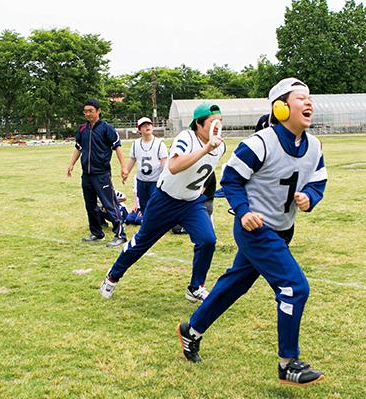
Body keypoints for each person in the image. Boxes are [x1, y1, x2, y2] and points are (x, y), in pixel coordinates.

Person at [177, 78, 327, 386]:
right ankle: (288, 363)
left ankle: (191, 330)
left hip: (284, 230)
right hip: (256, 230)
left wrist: (310, 197)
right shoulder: (260, 143)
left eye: (310, 98)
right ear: (281, 107)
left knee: (235, 284)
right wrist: (243, 211)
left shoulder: (314, 146)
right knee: (294, 287)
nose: (309, 103)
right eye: (300, 98)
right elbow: (230, 179)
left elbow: (318, 180)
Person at [100, 103, 226, 301]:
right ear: (198, 124)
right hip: (165, 200)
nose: (217, 126)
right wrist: (206, 148)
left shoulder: (221, 146)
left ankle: (196, 287)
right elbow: (174, 166)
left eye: (220, 121)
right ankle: (112, 276)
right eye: (212, 122)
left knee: (207, 240)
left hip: (191, 203)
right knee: (142, 242)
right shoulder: (187, 137)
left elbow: (206, 172)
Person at [66, 98, 128, 248]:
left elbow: (117, 147)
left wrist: (123, 167)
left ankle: (120, 234)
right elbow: (78, 148)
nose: (87, 114)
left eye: (90, 111)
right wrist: (71, 164)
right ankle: (96, 233)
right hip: (86, 174)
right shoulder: (82, 129)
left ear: (98, 111)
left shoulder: (107, 128)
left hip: (101, 174)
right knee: (90, 205)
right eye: (85, 111)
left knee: (110, 204)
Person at [123, 117, 168, 215]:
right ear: (139, 130)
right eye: (143, 125)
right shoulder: (135, 144)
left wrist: (166, 177)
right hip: (141, 181)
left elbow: (164, 161)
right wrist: (126, 172)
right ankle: (146, 222)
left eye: (149, 124)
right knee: (143, 205)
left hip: (155, 180)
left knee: (155, 204)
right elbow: (132, 159)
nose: (147, 126)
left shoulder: (159, 143)